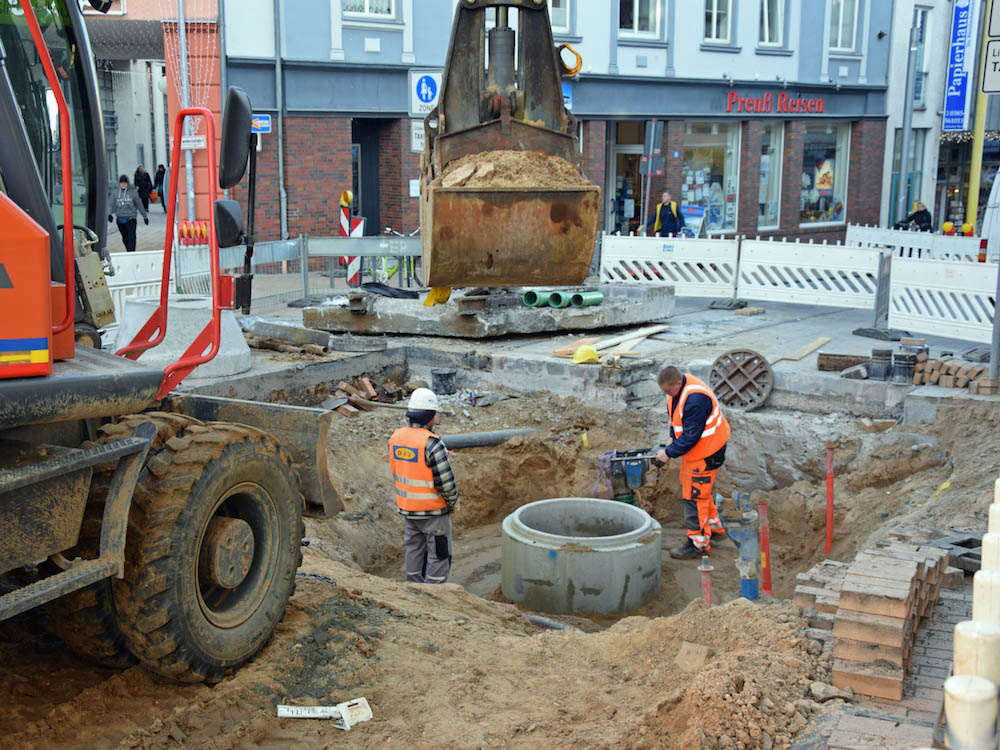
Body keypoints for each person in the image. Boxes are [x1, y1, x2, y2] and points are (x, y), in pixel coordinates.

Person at [655, 366, 731, 559]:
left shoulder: (695, 400)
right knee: (699, 491)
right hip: (698, 451)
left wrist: (668, 453)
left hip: (707, 451)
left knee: (694, 497)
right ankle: (714, 528)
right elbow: (678, 423)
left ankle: (698, 544)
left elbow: (691, 437)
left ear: (678, 383)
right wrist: (673, 442)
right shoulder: (677, 390)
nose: (667, 395)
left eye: (669, 391)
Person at [388, 387, 459, 584]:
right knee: (438, 554)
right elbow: (445, 483)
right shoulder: (433, 444)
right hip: (434, 514)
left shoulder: (395, 439)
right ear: (430, 417)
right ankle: (433, 594)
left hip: (409, 510)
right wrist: (453, 502)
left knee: (414, 551)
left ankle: (413, 591)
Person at [108, 174, 148, 252]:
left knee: (131, 237)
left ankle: (131, 251)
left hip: (131, 218)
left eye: (125, 183)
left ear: (127, 183)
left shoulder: (133, 193)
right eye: (122, 183)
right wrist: (109, 214)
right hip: (120, 219)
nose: (123, 184)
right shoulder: (115, 193)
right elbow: (110, 204)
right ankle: (128, 250)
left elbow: (139, 205)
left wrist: (145, 217)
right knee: (125, 237)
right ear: (119, 183)